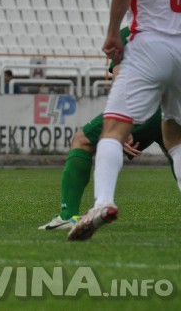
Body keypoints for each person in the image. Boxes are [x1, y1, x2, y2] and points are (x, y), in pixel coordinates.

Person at [69, 0, 181, 241]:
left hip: (150, 45)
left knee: (114, 128)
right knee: (175, 134)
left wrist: (113, 33)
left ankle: (103, 201)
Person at [41, 29, 168, 231]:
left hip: (145, 106)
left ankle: (68, 215)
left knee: (82, 140)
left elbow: (121, 81)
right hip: (174, 106)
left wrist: (124, 123)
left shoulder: (131, 32)